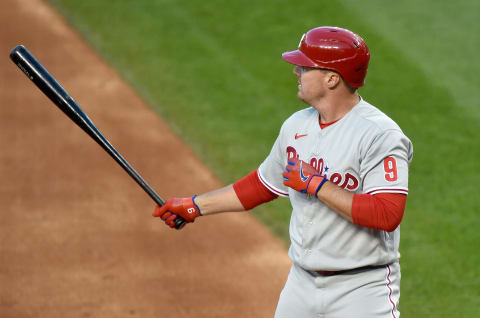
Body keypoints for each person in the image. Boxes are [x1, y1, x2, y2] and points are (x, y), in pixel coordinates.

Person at [153, 26, 413, 318]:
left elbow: (387, 214)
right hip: (301, 285)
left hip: (361, 290)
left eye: (304, 66)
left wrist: (317, 184)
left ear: (331, 78)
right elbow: (263, 185)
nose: (295, 72)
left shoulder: (380, 135)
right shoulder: (296, 126)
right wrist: (195, 205)